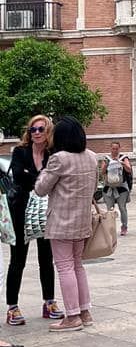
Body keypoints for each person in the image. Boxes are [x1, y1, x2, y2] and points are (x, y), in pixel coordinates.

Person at [33, 117, 98, 333]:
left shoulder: (59, 159)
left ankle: (72, 316)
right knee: (78, 265)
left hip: (61, 221)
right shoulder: (91, 157)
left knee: (64, 267)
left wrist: (44, 169)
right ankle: (85, 311)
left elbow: (41, 189)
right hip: (82, 220)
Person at [6, 115, 64, 326]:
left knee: (46, 259)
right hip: (20, 211)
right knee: (18, 259)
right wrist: (42, 178)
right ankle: (12, 307)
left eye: (40, 129)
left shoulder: (53, 154)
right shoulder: (20, 152)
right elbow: (20, 177)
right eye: (33, 130)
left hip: (46, 211)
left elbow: (56, 178)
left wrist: (34, 175)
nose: (36, 133)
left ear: (48, 131)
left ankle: (49, 303)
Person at [101, 141, 132, 236]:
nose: (115, 150)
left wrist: (122, 163)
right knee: (109, 209)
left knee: (122, 208)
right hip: (108, 188)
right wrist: (107, 164)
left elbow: (129, 170)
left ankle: (124, 227)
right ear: (110, 149)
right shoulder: (106, 159)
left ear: (119, 149)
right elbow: (102, 172)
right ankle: (111, 228)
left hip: (121, 187)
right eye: (113, 148)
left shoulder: (124, 158)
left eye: (116, 148)